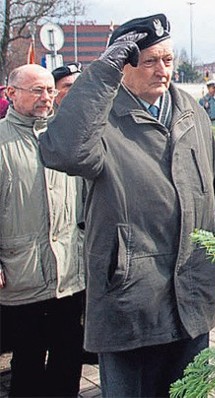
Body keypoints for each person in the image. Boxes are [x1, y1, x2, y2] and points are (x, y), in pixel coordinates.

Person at [38, 14, 215, 397]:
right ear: (123, 66)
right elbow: (63, 152)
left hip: (191, 293)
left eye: (168, 60)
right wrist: (99, 76)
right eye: (150, 60)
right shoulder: (100, 117)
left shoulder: (191, 110)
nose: (162, 71)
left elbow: (213, 186)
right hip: (132, 298)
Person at [0, 64, 85, 397]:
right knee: (28, 364)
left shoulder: (63, 136)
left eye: (50, 90)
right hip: (23, 276)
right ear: (11, 93)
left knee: (68, 359)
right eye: (37, 90)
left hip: (68, 275)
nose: (46, 97)